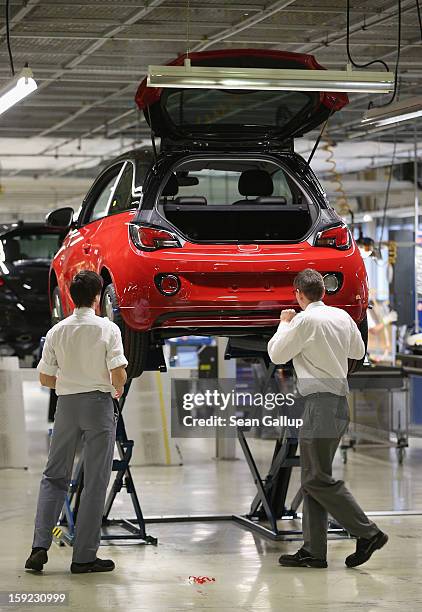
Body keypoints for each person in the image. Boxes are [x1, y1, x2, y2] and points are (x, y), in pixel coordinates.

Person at [267, 268, 388, 569]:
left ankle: (368, 532)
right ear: (324, 291)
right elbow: (358, 351)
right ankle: (314, 551)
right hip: (338, 403)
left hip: (319, 404)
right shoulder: (342, 317)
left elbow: (277, 354)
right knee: (314, 477)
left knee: (315, 478)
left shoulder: (304, 320)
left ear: (298, 293)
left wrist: (284, 324)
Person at [25, 271, 128, 574]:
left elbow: (45, 378)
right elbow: (119, 373)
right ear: (98, 298)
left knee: (54, 476)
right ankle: (83, 557)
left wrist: (70, 380)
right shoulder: (108, 329)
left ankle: (39, 547)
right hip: (98, 406)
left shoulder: (57, 331)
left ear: (71, 296)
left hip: (66, 406)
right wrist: (115, 387)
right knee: (95, 481)